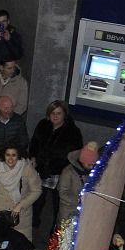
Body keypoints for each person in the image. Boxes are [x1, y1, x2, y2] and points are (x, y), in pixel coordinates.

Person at [27, 101, 83, 238]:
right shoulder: (42, 125)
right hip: (40, 169)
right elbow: (34, 143)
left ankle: (54, 231)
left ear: (64, 114)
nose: (55, 116)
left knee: (58, 203)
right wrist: (33, 157)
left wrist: (63, 169)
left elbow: (75, 154)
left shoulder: (73, 132)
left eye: (59, 113)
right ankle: (33, 224)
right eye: (52, 113)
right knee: (37, 199)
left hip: (59, 173)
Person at [0, 145, 40, 239]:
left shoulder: (27, 168)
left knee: (20, 244)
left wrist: (21, 205)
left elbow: (37, 190)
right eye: (8, 155)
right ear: (4, 155)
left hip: (20, 214)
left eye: (14, 155)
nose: (10, 159)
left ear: (18, 156)